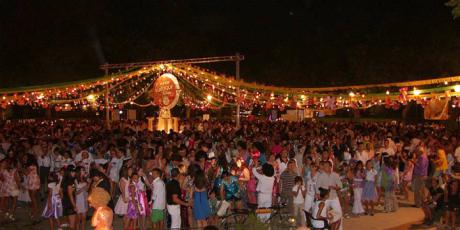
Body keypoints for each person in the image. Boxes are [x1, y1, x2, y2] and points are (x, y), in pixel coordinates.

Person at [315, 161, 342, 230]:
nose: (324, 167)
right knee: (324, 214)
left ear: (330, 167)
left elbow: (340, 186)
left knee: (339, 214)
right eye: (324, 166)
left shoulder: (336, 175)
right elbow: (317, 187)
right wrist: (318, 197)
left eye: (326, 166)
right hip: (325, 198)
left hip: (334, 197)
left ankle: (340, 228)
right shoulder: (320, 175)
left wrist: (334, 187)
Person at [61, 165, 77, 229]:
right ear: (69, 172)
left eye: (74, 172)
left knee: (70, 223)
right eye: (72, 172)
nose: (74, 173)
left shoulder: (64, 179)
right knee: (72, 225)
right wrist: (74, 206)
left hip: (65, 202)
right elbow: (70, 195)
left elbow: (60, 191)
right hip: (70, 203)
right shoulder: (70, 181)